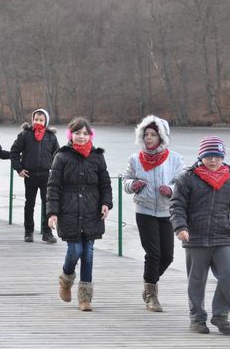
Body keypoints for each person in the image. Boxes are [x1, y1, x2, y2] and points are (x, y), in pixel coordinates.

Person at [170, 136, 230, 335]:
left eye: (217, 156)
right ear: (201, 156)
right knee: (196, 280)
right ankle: (197, 319)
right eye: (209, 156)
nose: (213, 160)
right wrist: (180, 228)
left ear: (223, 157)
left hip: (222, 237)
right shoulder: (187, 178)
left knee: (228, 275)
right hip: (195, 237)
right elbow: (177, 206)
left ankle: (221, 314)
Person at [47, 117, 112, 312]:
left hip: (92, 211)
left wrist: (106, 203)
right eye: (77, 133)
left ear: (90, 135)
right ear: (70, 135)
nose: (81, 137)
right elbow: (53, 186)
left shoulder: (97, 157)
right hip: (69, 211)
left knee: (89, 253)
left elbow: (105, 184)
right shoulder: (62, 156)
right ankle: (66, 280)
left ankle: (85, 298)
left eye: (85, 133)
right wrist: (52, 212)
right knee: (75, 250)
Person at [123, 115, 185, 312]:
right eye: (146, 134)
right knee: (153, 254)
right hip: (144, 210)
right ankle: (152, 296)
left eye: (153, 134)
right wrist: (133, 185)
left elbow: (182, 184)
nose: (149, 138)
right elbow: (125, 181)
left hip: (168, 211)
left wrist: (171, 189)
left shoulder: (175, 158)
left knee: (167, 256)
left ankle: (148, 283)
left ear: (162, 137)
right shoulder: (135, 158)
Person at [10, 108, 60, 243]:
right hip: (29, 175)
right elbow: (14, 152)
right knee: (29, 204)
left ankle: (47, 232)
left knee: (47, 204)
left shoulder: (51, 137)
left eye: (41, 120)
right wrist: (19, 169)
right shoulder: (25, 134)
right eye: (36, 119)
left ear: (46, 122)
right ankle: (28, 232)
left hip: (47, 175)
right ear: (32, 120)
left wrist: (56, 172)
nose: (38, 122)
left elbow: (58, 156)